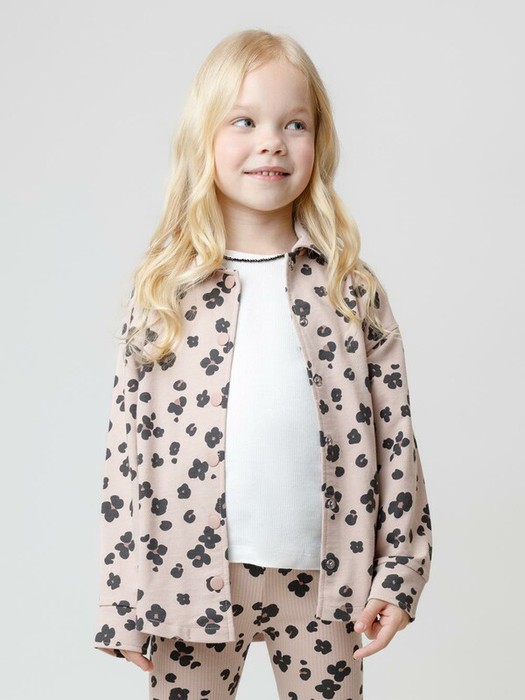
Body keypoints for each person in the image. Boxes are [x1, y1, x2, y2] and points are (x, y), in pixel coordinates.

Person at [93, 28, 433, 699]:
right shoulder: (164, 291)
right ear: (203, 139)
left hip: (328, 587)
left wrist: (399, 572)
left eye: (294, 124)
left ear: (318, 143)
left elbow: (396, 441)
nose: (272, 141)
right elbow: (125, 452)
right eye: (244, 121)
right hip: (189, 582)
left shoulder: (349, 289)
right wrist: (120, 597)